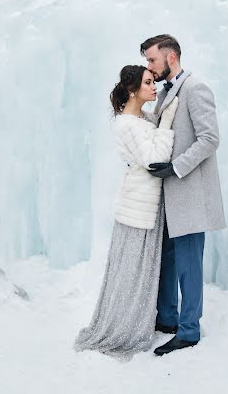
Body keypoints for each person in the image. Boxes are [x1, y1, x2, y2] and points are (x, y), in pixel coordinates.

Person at [74, 65, 179, 361]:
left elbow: (154, 141)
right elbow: (154, 158)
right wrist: (168, 118)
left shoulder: (141, 118)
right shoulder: (126, 124)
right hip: (138, 201)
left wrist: (160, 119)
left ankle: (139, 319)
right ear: (132, 90)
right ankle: (123, 326)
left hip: (148, 199)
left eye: (153, 81)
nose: (154, 86)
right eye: (148, 83)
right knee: (133, 267)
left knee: (144, 266)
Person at [141, 34, 226, 356]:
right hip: (168, 195)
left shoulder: (195, 88)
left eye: (152, 60)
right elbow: (165, 130)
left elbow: (209, 139)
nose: (148, 66)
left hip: (189, 193)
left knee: (188, 264)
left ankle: (189, 331)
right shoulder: (167, 92)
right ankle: (167, 319)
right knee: (166, 258)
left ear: (171, 57)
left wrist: (175, 167)